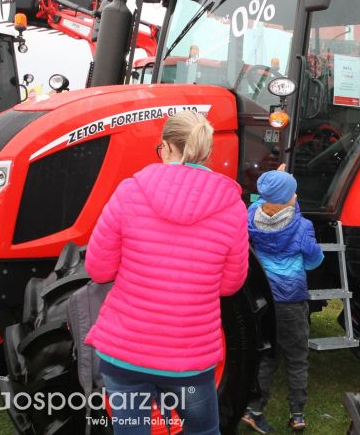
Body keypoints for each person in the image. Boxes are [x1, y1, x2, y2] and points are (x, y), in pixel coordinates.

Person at [84, 110, 249, 435]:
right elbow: (231, 284)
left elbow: (98, 269)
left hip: (124, 352)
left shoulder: (129, 191)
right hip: (189, 359)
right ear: (206, 150)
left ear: (166, 147)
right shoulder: (232, 207)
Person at [242, 166, 324, 433]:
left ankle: (254, 410)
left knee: (267, 355)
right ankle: (297, 414)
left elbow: (262, 201)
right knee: (297, 358)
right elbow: (314, 261)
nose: (296, 194)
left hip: (264, 300)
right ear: (289, 198)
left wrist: (276, 181)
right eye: (292, 191)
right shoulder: (302, 227)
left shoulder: (251, 217)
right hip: (292, 301)